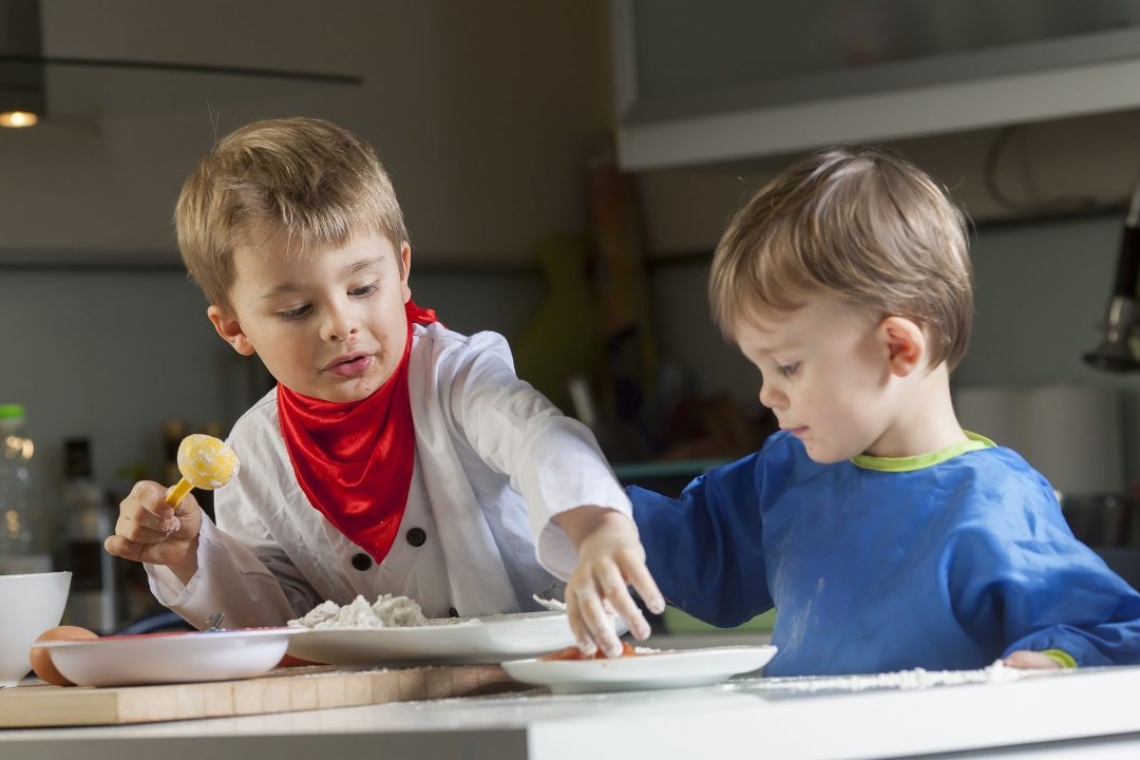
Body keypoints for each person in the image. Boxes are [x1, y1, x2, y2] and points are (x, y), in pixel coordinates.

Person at [563, 145, 1140, 676]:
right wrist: (577, 508)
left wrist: (1058, 664)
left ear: (897, 349)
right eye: (759, 368)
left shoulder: (991, 507)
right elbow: (690, 552)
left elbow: (1113, 630)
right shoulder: (787, 472)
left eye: (787, 366)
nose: (766, 394)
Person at [104, 117, 664, 636]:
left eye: (363, 288)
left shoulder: (456, 378)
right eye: (297, 310)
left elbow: (538, 438)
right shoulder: (255, 450)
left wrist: (597, 529)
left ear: (400, 271)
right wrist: (189, 551)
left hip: (538, 672)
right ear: (234, 329)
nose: (341, 325)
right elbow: (278, 623)